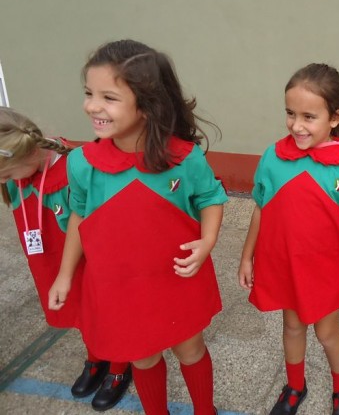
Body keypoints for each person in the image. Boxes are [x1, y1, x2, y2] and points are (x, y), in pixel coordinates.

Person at [48, 40, 228, 415]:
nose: (91, 106)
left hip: (175, 278)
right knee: (142, 357)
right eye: (89, 93)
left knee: (190, 349)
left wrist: (208, 240)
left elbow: (210, 197)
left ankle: (205, 410)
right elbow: (79, 216)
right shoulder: (82, 163)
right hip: (120, 285)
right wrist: (64, 275)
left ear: (147, 105)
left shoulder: (184, 158)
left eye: (108, 97)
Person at [238, 63, 339, 415]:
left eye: (309, 117)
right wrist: (247, 256)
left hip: (325, 269)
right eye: (290, 113)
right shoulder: (273, 157)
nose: (296, 125)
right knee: (292, 326)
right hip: (285, 264)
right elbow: (261, 208)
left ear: (335, 117)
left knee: (327, 332)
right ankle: (295, 385)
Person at [0, 107, 131, 411]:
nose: (4, 180)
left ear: (28, 155)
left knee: (106, 311)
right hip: (51, 260)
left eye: (5, 174)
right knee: (79, 310)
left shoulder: (73, 171)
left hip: (89, 261)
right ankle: (97, 356)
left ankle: (120, 365)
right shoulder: (18, 175)